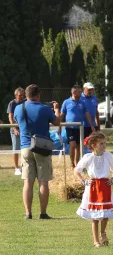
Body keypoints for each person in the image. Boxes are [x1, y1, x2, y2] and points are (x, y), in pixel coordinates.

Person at [13, 84, 61, 219]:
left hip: (25, 146)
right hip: (41, 147)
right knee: (43, 181)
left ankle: (28, 213)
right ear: (38, 95)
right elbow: (57, 122)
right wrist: (56, 109)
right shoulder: (44, 108)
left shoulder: (18, 108)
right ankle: (43, 213)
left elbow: (18, 121)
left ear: (26, 95)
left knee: (27, 182)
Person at [74, 132, 113, 248]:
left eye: (105, 143)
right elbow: (77, 170)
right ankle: (96, 240)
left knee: (105, 214)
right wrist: (84, 181)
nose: (104, 146)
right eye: (101, 144)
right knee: (94, 216)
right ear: (94, 145)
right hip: (93, 187)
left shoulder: (108, 155)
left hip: (105, 186)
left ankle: (103, 233)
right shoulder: (88, 157)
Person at [60, 85, 95, 168]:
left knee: (79, 147)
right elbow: (62, 114)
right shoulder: (66, 102)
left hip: (79, 128)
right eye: (79, 92)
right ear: (74, 92)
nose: (81, 93)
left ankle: (77, 164)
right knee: (72, 145)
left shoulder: (82, 103)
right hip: (70, 127)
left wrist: (92, 125)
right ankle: (72, 164)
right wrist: (59, 125)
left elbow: (87, 114)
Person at [7, 87, 26, 175]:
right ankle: (16, 168)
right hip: (15, 130)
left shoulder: (25, 102)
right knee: (16, 149)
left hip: (25, 129)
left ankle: (24, 166)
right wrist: (14, 128)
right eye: (19, 95)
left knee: (25, 148)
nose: (21, 97)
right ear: (15, 95)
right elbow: (10, 116)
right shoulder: (12, 103)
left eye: (23, 95)